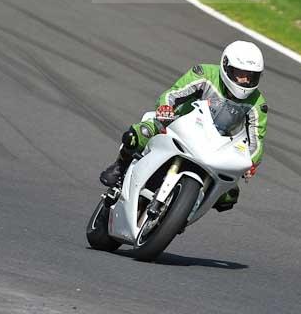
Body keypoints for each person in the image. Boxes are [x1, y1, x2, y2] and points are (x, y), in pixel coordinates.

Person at [100, 40, 268, 212]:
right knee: (138, 134)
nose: (245, 80)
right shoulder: (205, 74)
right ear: (226, 66)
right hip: (178, 124)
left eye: (251, 76)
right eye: (241, 73)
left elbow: (256, 140)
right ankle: (120, 166)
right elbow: (173, 93)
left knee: (229, 195)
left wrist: (251, 163)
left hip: (217, 146)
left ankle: (185, 209)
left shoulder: (257, 103)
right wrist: (165, 108)